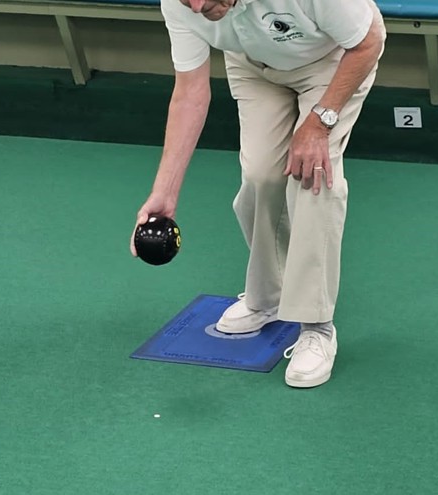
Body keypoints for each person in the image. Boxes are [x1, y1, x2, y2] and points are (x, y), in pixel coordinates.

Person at [131, 0, 386, 388]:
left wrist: (318, 123)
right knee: (260, 176)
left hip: (332, 62)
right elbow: (190, 93)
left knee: (312, 176)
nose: (197, 6)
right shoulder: (181, 4)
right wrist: (164, 193)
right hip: (255, 67)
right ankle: (267, 297)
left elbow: (370, 40)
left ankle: (317, 326)